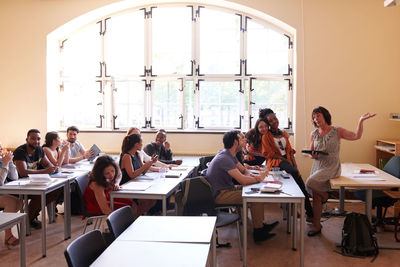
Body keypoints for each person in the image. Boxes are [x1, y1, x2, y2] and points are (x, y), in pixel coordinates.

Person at [305, 106, 376, 236]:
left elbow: (356, 136)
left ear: (325, 116)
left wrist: (360, 121)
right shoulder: (313, 134)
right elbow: (311, 152)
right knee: (315, 195)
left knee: (309, 183)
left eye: (318, 115)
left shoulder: (337, 131)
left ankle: (326, 196)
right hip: (317, 166)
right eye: (314, 117)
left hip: (331, 167)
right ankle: (317, 225)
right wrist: (312, 155)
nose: (316, 119)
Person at [205, 130, 277, 242]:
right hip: (220, 195)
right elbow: (243, 180)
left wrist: (255, 178)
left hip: (227, 189)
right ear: (235, 142)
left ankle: (260, 226)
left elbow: (244, 170)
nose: (245, 140)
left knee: (256, 189)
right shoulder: (225, 158)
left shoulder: (229, 154)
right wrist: (259, 178)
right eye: (242, 138)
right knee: (255, 196)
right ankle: (258, 233)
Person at [261, 109, 314, 221]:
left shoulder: (283, 134)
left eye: (275, 118)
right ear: (267, 124)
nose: (274, 121)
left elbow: (290, 151)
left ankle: (309, 213)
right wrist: (284, 160)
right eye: (270, 121)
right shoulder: (266, 136)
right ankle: (306, 212)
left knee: (299, 180)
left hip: (287, 161)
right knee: (296, 177)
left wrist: (295, 165)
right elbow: (269, 154)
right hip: (275, 162)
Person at [13, 129, 61, 229]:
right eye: (33, 138)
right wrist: (45, 171)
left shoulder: (39, 149)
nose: (36, 141)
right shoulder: (20, 152)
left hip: (34, 182)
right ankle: (27, 221)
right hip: (18, 185)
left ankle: (31, 217)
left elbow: (47, 164)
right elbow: (23, 173)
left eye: (38, 139)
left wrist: (53, 168)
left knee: (56, 191)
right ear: (27, 139)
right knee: (39, 195)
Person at [119, 134, 156, 215]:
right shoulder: (126, 156)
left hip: (136, 184)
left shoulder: (137, 154)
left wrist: (151, 163)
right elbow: (132, 175)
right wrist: (147, 164)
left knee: (153, 200)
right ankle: (135, 218)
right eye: (141, 143)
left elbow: (143, 172)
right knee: (146, 200)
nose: (142, 145)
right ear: (136, 144)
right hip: (126, 186)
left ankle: (136, 216)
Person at [0, 143, 22, 249]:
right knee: (10, 202)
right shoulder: (2, 162)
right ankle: (8, 235)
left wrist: (10, 163)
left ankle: (6, 230)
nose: (0, 149)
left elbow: (15, 178)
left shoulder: (1, 161)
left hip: (2, 193)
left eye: (0, 147)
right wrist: (5, 164)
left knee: (19, 201)